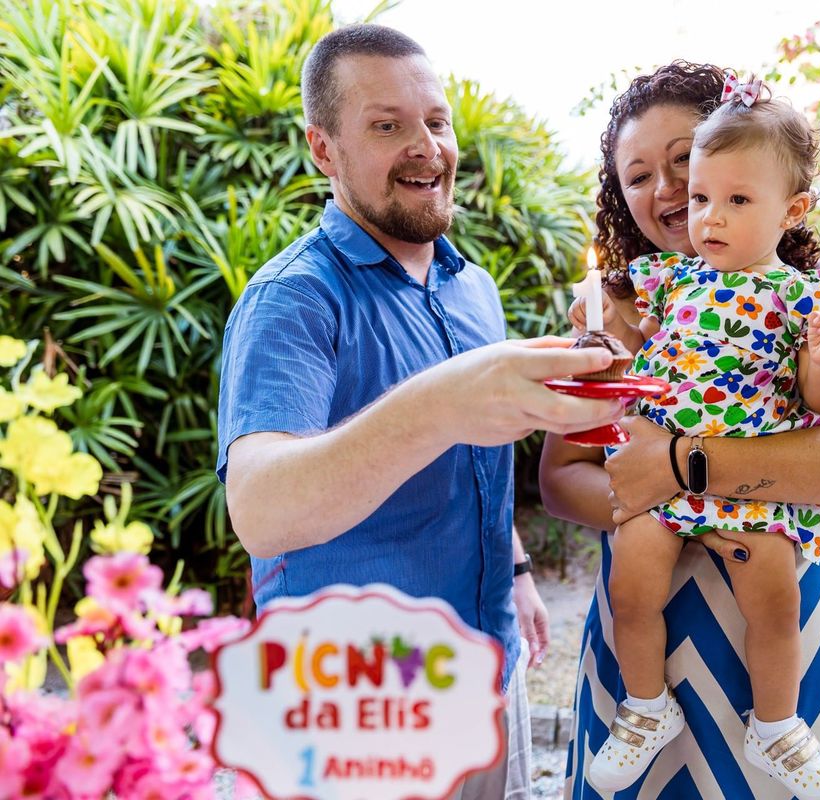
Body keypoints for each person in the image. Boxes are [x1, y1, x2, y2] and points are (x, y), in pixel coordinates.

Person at [215, 24, 624, 799]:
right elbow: (261, 510)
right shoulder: (291, 301)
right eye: (386, 125)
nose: (425, 146)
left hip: (486, 674)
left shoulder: (474, 289)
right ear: (323, 149)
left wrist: (516, 566)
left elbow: (474, 460)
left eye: (435, 121)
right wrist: (440, 405)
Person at [539, 61, 820, 800]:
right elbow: (560, 480)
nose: (671, 192)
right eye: (639, 175)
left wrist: (687, 469)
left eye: (686, 160)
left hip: (794, 640)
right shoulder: (617, 308)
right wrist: (668, 514)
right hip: (641, 654)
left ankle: (778, 730)